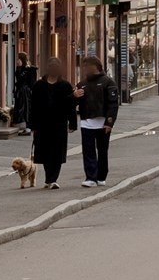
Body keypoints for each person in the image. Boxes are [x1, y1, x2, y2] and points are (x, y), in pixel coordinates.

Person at [27, 57, 76, 189]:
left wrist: (72, 123)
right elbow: (33, 106)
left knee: (57, 152)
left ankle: (53, 179)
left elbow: (71, 105)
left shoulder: (65, 85)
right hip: (42, 124)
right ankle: (49, 178)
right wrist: (32, 125)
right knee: (45, 151)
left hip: (59, 123)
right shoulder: (39, 85)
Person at [75, 56, 119, 187]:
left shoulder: (108, 82)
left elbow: (113, 104)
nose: (85, 69)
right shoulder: (82, 84)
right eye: (84, 67)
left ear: (96, 66)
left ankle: (101, 176)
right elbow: (73, 103)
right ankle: (90, 177)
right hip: (86, 122)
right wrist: (74, 96)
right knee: (88, 151)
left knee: (102, 150)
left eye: (87, 66)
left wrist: (109, 122)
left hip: (102, 122)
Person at [12, 50, 37, 135]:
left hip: (26, 92)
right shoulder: (19, 68)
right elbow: (18, 80)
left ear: (21, 59)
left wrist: (31, 91)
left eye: (18, 59)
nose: (16, 61)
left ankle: (28, 128)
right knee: (22, 110)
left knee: (26, 109)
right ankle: (26, 127)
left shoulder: (29, 69)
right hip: (20, 91)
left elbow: (32, 82)